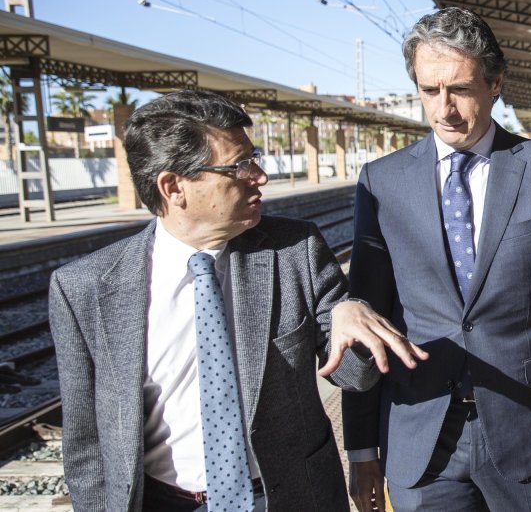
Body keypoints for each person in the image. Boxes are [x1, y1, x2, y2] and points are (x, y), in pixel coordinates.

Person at [49, 89, 411, 512]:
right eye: (238, 166)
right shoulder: (85, 288)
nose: (258, 176)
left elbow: (356, 377)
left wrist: (355, 318)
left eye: (254, 159)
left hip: (289, 496)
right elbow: (85, 443)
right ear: (173, 187)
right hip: (160, 502)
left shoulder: (294, 250)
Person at [343, 7, 531, 512]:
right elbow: (364, 320)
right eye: (429, 91)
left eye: (460, 89)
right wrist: (361, 446)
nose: (443, 108)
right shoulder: (381, 183)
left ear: (495, 83)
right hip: (420, 431)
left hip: (523, 426)